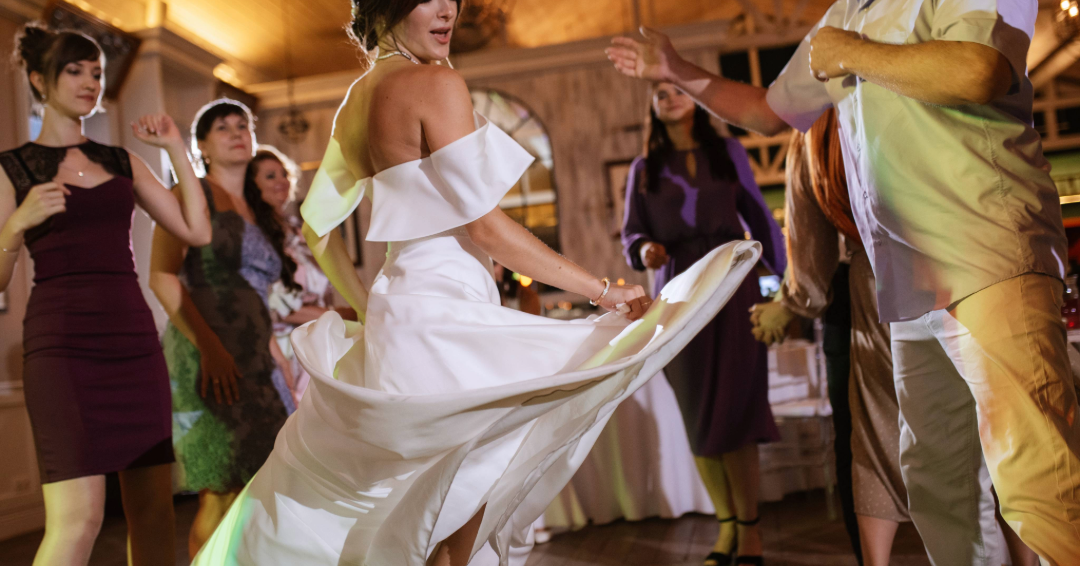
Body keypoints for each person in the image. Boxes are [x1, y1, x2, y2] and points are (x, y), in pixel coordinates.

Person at [187, 1, 763, 565]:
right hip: (448, 320)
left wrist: (369, 307)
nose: (448, 12)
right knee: (457, 518)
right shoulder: (434, 85)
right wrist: (602, 290)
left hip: (403, 315)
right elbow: (486, 229)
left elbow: (316, 227)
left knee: (433, 515)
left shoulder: (355, 102)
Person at [607, 0, 1080, 562]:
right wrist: (677, 68)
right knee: (939, 487)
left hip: (988, 256)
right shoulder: (845, 13)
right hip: (907, 283)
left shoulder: (860, 29)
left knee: (1035, 473)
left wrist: (851, 53)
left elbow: (980, 70)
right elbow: (766, 111)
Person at [752, 110, 1039, 566]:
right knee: (995, 429)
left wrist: (795, 302)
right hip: (967, 267)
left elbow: (811, 249)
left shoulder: (815, 127)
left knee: (878, 438)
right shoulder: (925, 94)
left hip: (878, 283)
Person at [0, 23, 211, 565]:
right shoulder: (12, 170)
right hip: (63, 351)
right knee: (80, 520)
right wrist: (14, 226)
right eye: (75, 70)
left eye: (96, 72)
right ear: (38, 80)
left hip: (135, 346)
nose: (91, 82)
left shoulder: (122, 162)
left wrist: (174, 149)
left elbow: (195, 231)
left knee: (154, 513)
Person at [621, 82, 785, 566]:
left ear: (694, 100)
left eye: (676, 88)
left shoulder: (729, 151)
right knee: (698, 414)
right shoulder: (643, 168)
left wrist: (786, 290)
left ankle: (750, 529)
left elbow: (759, 214)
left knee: (737, 408)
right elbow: (632, 231)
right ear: (652, 107)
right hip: (678, 296)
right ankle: (727, 526)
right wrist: (643, 249)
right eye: (659, 92)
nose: (668, 95)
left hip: (732, 287)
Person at [149, 99, 291, 556]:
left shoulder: (256, 207)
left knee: (261, 486)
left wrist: (279, 363)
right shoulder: (190, 195)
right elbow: (162, 275)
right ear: (203, 146)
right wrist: (209, 348)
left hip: (257, 358)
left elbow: (258, 300)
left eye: (243, 126)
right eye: (223, 127)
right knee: (220, 485)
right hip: (207, 355)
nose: (237, 133)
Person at [249, 147, 347, 404]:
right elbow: (279, 305)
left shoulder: (298, 228)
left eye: (283, 174)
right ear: (252, 185)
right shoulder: (257, 235)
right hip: (287, 347)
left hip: (318, 339)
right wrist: (342, 317)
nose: (281, 181)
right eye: (270, 176)